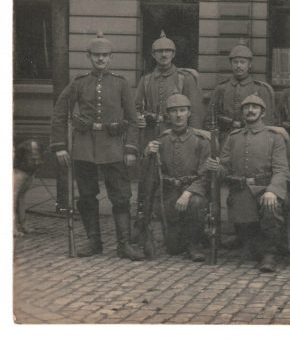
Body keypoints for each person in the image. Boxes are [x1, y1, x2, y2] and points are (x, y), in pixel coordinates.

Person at [49, 31, 144, 260]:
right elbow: (59, 114)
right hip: (84, 148)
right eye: (96, 55)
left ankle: (124, 244)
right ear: (89, 57)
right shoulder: (79, 83)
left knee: (121, 196)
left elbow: (133, 120)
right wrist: (60, 146)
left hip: (113, 147)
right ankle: (94, 242)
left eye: (105, 55)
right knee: (87, 196)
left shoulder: (121, 84)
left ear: (111, 57)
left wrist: (130, 149)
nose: (100, 59)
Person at [205, 94, 290, 272]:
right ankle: (255, 244)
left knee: (271, 208)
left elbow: (282, 170)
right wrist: (216, 167)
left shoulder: (274, 137)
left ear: (263, 112)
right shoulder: (234, 137)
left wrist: (273, 190)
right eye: (246, 107)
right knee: (250, 250)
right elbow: (226, 168)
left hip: (264, 189)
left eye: (255, 107)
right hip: (241, 192)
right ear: (242, 112)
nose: (250, 110)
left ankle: (270, 254)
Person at [133, 31, 203, 240]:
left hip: (179, 136)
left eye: (167, 51)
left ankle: (182, 224)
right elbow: (134, 108)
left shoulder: (184, 79)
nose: (164, 55)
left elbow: (196, 112)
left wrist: (196, 140)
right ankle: (141, 223)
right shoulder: (146, 81)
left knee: (177, 179)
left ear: (173, 54)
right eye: (159, 51)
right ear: (153, 55)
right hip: (153, 136)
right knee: (147, 182)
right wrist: (139, 118)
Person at [143, 94, 211, 261]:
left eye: (182, 110)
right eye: (174, 111)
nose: (178, 115)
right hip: (169, 192)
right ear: (168, 115)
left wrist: (188, 193)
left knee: (196, 204)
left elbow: (205, 175)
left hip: (193, 192)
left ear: (189, 113)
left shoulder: (201, 141)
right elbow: (149, 174)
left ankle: (194, 243)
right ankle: (186, 236)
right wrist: (147, 153)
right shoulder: (162, 140)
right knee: (173, 248)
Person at [208, 39, 276, 144]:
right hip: (226, 140)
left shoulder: (260, 89)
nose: (238, 66)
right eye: (235, 62)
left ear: (249, 65)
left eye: (242, 62)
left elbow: (268, 123)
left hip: (253, 140)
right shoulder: (221, 89)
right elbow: (210, 120)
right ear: (231, 64)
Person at [14, 139, 45, 237]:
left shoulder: (30, 170)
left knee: (21, 196)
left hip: (27, 170)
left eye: (36, 150)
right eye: (30, 151)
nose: (35, 155)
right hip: (19, 170)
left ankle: (23, 225)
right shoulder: (16, 171)